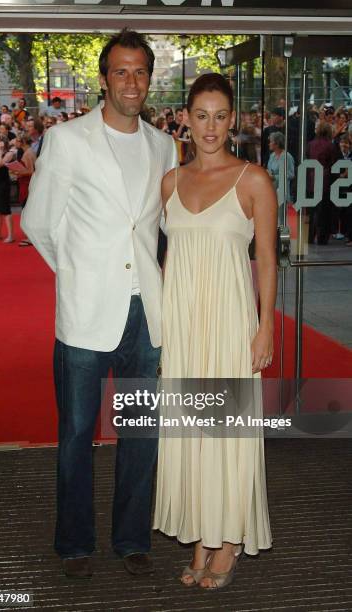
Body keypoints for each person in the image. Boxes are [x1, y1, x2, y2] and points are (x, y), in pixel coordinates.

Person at [21, 29, 177, 579]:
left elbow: (156, 228)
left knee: (142, 434)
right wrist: (79, 272)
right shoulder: (68, 140)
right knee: (77, 435)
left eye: (140, 72)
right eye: (121, 72)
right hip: (86, 312)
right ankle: (75, 543)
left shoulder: (165, 145)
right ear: (103, 79)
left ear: (148, 78)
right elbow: (36, 223)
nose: (131, 82)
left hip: (146, 314)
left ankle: (133, 538)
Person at [153, 73, 277, 589]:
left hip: (229, 322)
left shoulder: (253, 180)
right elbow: (164, 260)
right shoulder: (170, 182)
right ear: (185, 117)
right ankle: (203, 534)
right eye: (200, 115)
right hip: (183, 326)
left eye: (220, 116)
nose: (210, 127)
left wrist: (265, 326)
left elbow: (267, 259)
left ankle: (228, 542)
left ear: (234, 119)